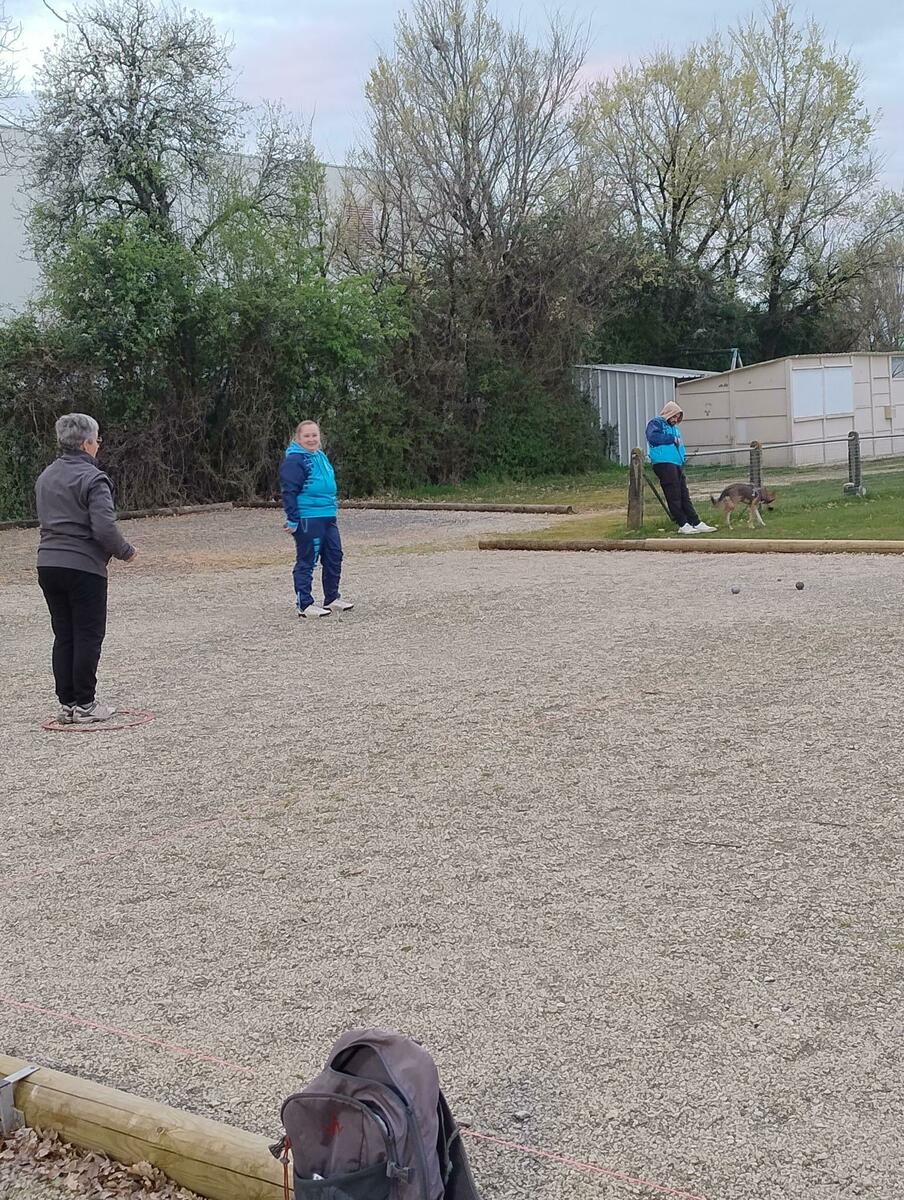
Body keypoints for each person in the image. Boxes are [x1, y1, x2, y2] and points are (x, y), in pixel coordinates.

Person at [35, 413, 137, 724]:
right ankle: (86, 704)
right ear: (86, 443)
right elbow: (104, 528)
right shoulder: (94, 478)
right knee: (88, 635)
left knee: (64, 634)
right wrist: (126, 551)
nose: (98, 445)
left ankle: (67, 703)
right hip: (83, 567)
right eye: (97, 440)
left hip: (48, 563)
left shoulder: (46, 476)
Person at [279, 420, 354, 619]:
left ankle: (332, 597)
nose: (311, 439)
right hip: (308, 517)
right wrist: (293, 519)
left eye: (314, 435)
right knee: (307, 560)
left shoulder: (320, 456)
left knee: (334, 555)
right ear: (298, 438)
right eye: (307, 436)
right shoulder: (295, 460)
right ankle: (304, 604)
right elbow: (289, 492)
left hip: (328, 515)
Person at [645, 400, 716, 535]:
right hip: (664, 462)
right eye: (674, 416)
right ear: (668, 413)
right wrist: (671, 438)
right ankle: (682, 523)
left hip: (676, 463)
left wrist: (682, 458)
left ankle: (695, 521)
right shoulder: (656, 423)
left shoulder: (675, 429)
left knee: (683, 493)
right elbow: (652, 437)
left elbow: (679, 446)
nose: (675, 419)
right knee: (674, 494)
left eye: (678, 417)